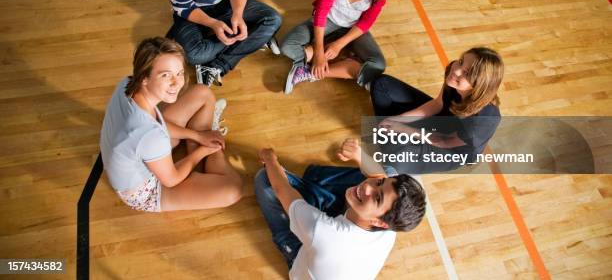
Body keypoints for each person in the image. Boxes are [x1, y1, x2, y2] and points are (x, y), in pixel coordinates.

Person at [99, 37, 243, 212]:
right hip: (147, 191)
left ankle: (199, 148)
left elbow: (155, 128)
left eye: (179, 73)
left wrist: (198, 136)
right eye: (165, 75)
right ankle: (203, 160)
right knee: (233, 190)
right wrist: (202, 151)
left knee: (203, 93)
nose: (177, 83)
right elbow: (171, 179)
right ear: (144, 77)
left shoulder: (126, 84)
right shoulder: (151, 136)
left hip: (144, 147)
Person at [254, 148, 426, 279]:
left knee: (265, 177)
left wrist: (269, 158)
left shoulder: (323, 231)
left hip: (303, 250)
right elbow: (380, 176)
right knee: (389, 173)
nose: (368, 187)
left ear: (381, 223)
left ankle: (316, 182)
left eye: (377, 198)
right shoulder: (390, 225)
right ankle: (316, 185)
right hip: (339, 226)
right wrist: (358, 154)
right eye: (379, 183)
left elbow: (281, 189)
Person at [341, 47, 505, 174]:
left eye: (466, 72)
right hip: (443, 121)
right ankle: (387, 134)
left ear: (478, 85)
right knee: (382, 85)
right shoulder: (453, 75)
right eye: (461, 61)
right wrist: (398, 120)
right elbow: (437, 105)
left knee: (398, 156)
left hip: (451, 149)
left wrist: (405, 129)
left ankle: (389, 142)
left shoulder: (481, 122)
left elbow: (445, 141)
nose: (456, 69)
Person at [280, 0, 391, 94]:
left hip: (353, 29)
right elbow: (322, 10)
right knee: (287, 46)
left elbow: (366, 22)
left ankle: (308, 72)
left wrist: (339, 44)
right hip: (328, 20)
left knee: (378, 65)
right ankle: (347, 64)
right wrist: (319, 52)